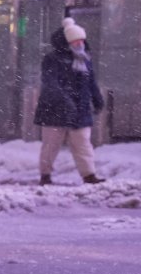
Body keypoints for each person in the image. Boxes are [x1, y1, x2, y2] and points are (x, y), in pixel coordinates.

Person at [35, 18, 106, 186]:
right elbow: (50, 83)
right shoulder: (52, 59)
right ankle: (45, 175)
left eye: (81, 40)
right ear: (67, 42)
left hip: (80, 108)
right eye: (75, 41)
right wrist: (64, 101)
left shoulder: (84, 59)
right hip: (55, 109)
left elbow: (90, 82)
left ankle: (89, 174)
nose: (79, 43)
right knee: (51, 145)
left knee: (82, 144)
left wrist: (97, 98)